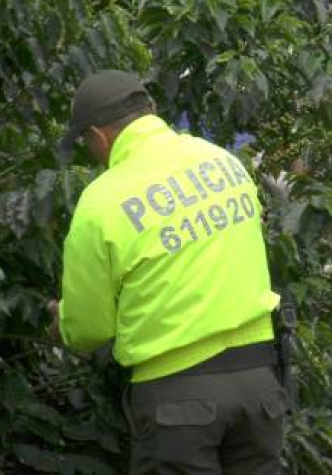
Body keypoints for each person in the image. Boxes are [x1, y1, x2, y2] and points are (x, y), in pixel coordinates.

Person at [49, 70, 286, 474]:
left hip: (178, 402)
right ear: (152, 111)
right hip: (260, 388)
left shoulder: (102, 202)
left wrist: (61, 323)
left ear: (98, 136)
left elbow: (90, 328)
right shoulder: (222, 161)